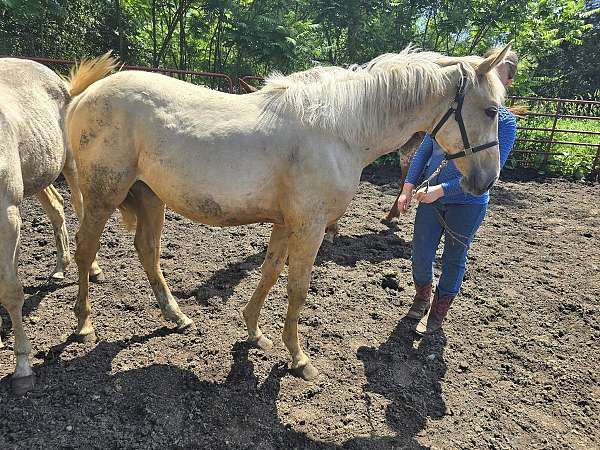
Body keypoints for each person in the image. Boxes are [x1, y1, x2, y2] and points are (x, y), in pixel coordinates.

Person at [396, 48, 519, 335]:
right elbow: (425, 149)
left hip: (467, 203)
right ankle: (422, 296)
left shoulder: (504, 123)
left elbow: (486, 177)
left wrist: (441, 189)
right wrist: (407, 187)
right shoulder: (456, 109)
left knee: (454, 258)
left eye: (499, 76)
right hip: (431, 197)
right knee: (420, 255)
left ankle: (438, 312)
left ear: (508, 83)